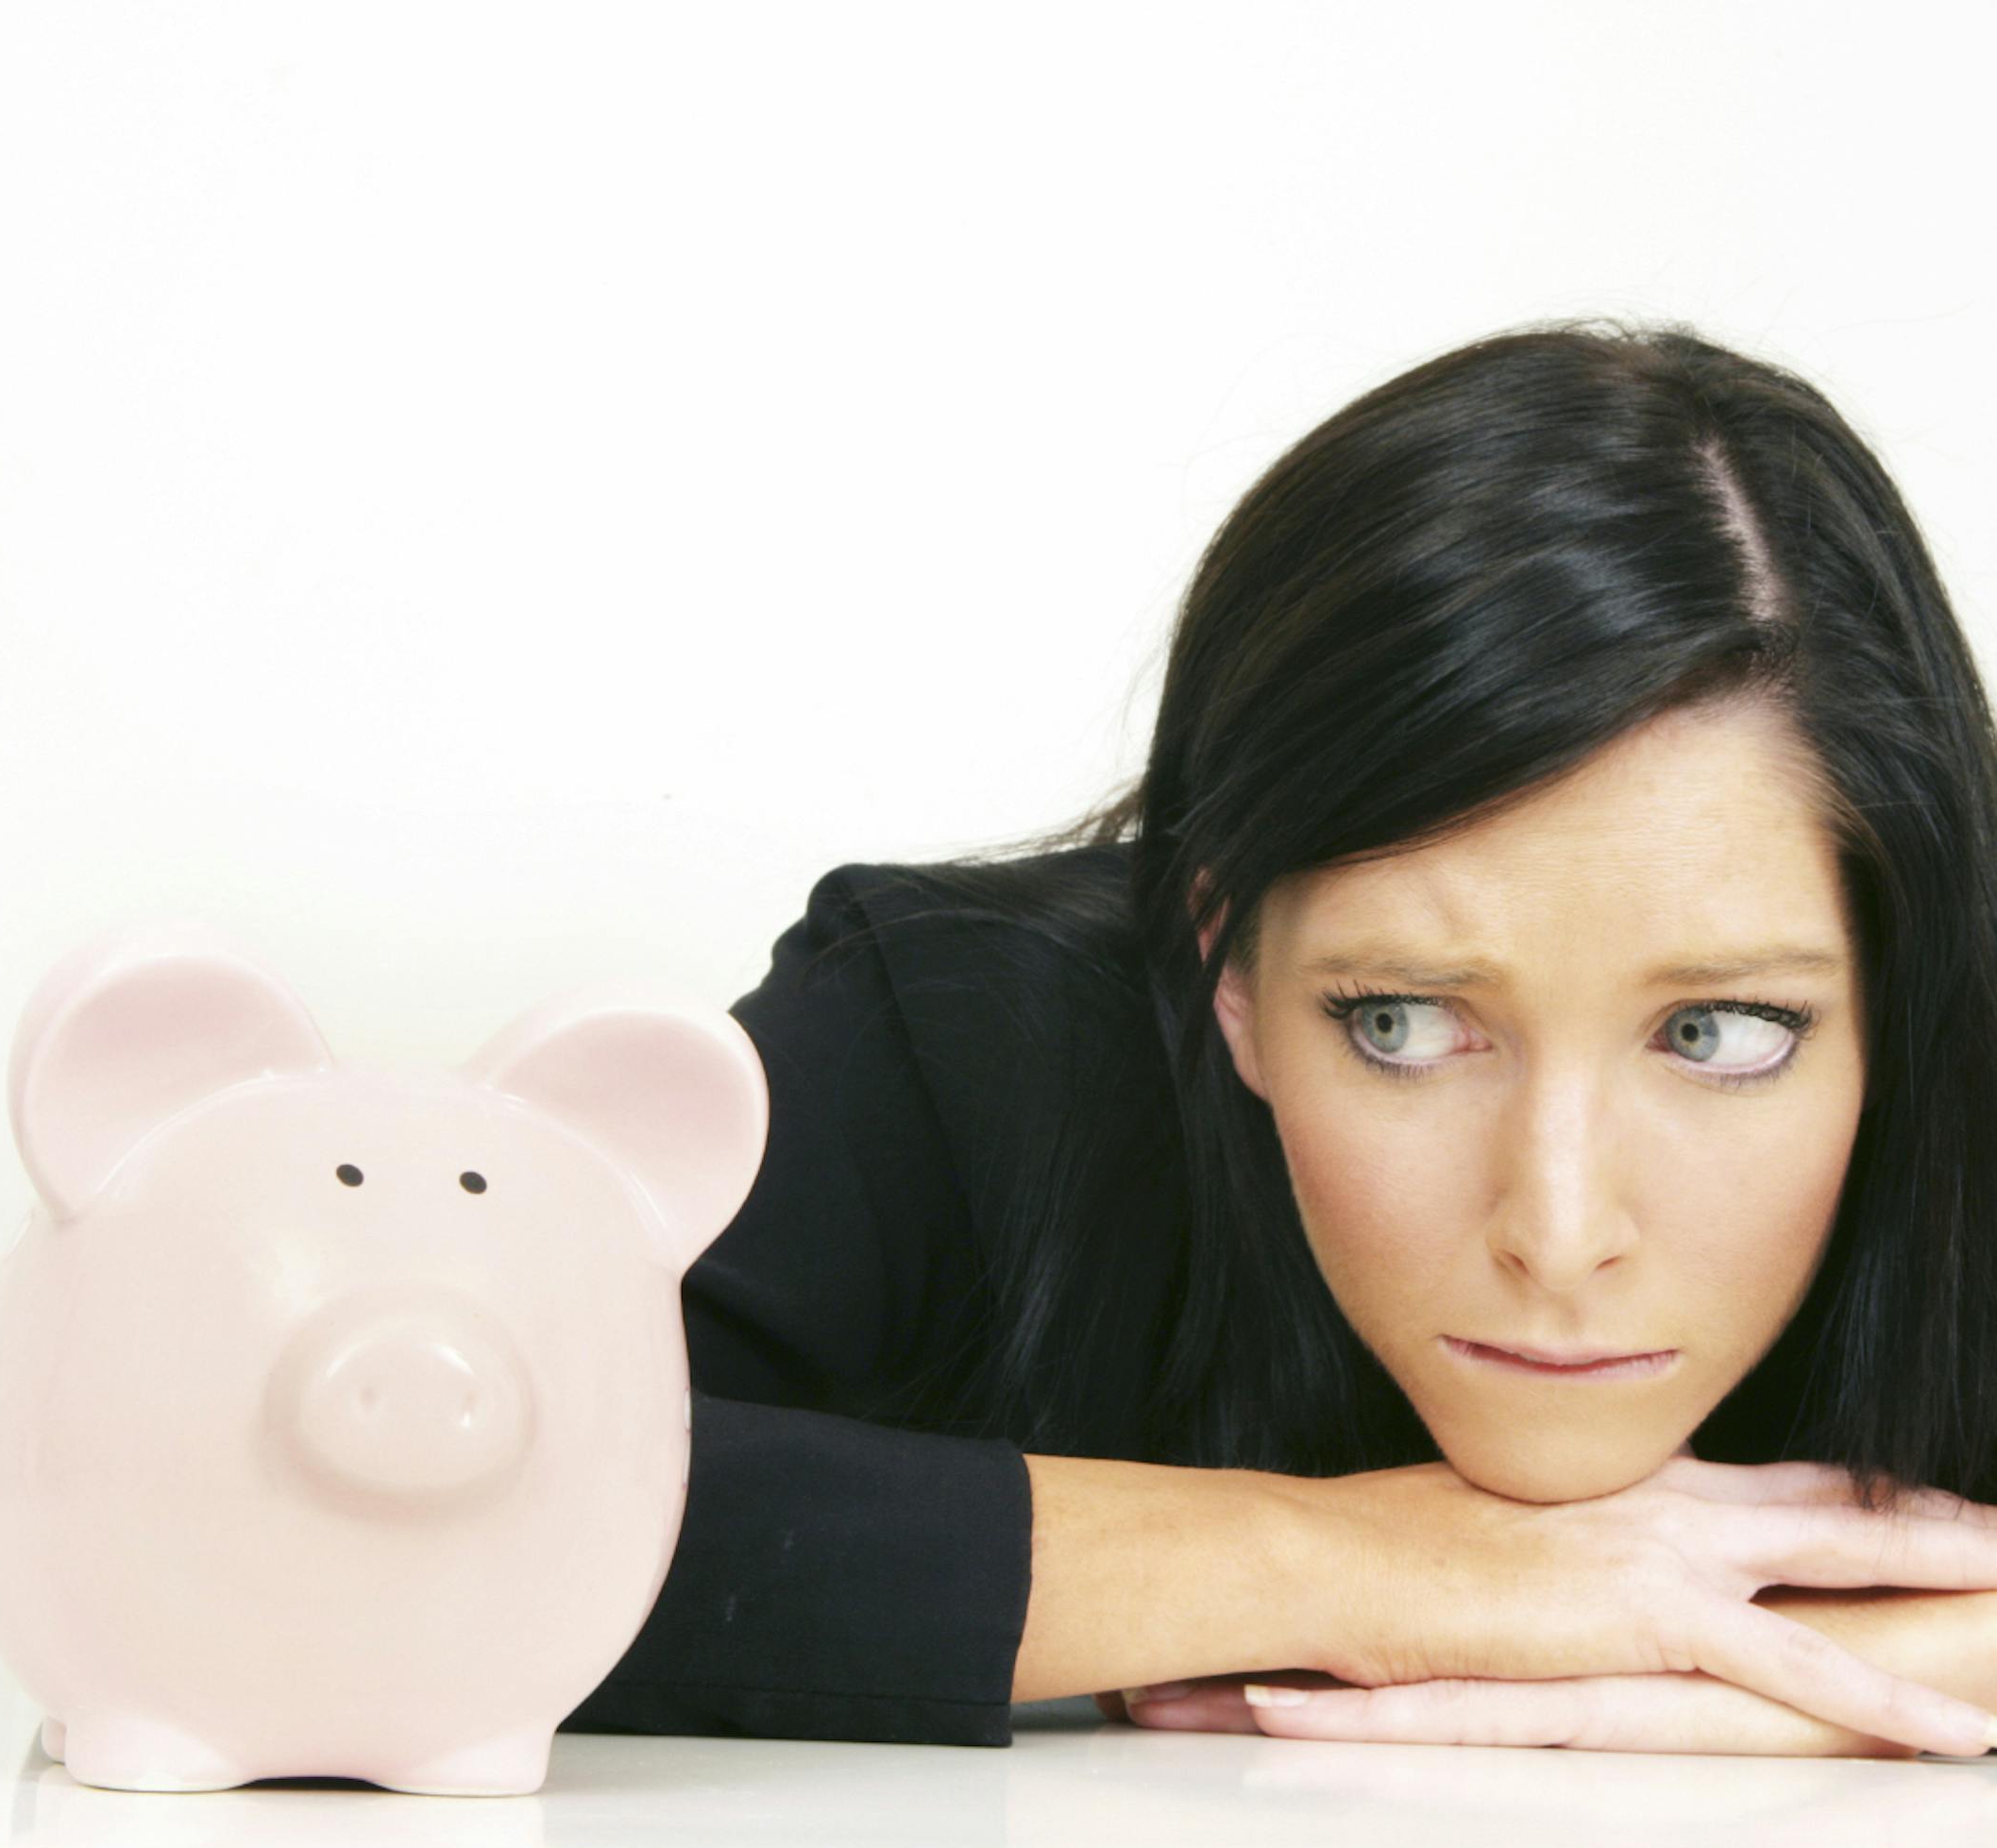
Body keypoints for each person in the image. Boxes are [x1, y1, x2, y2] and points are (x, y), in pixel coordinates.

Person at [557, 315, 1997, 1758]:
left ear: (1904, 988)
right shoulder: (961, 1043)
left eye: (1719, 1031)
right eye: (1403, 1020)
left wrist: (1801, 1659)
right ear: (1226, 966)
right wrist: (1350, 1569)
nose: (1559, 1235)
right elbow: (427, 1485)